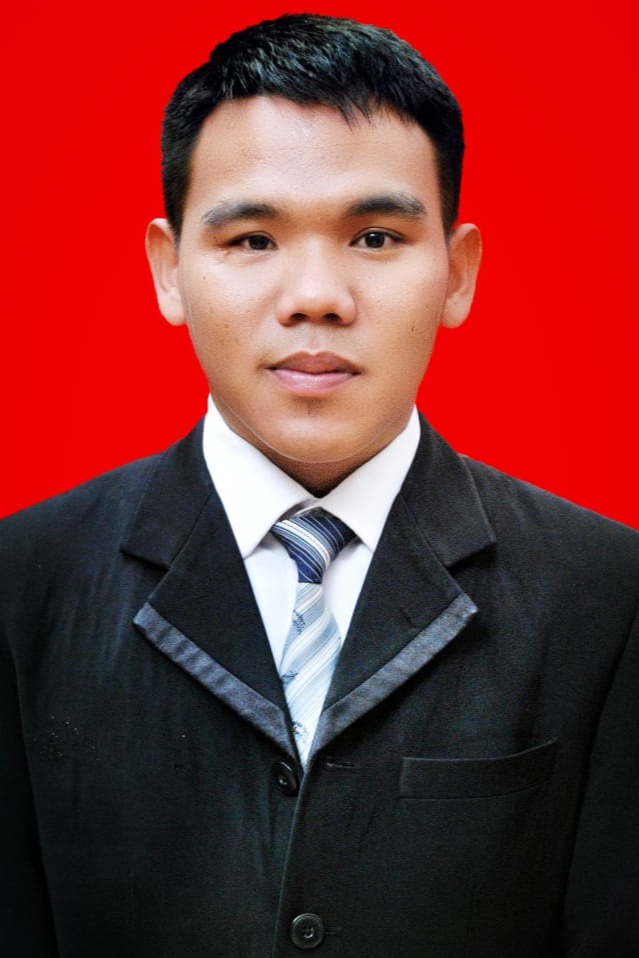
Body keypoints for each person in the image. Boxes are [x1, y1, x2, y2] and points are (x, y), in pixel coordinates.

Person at [1, 13, 637, 957]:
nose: (315, 297)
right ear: (169, 270)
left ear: (456, 273)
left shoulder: (606, 594)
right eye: (252, 238)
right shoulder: (24, 583)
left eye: (374, 237)